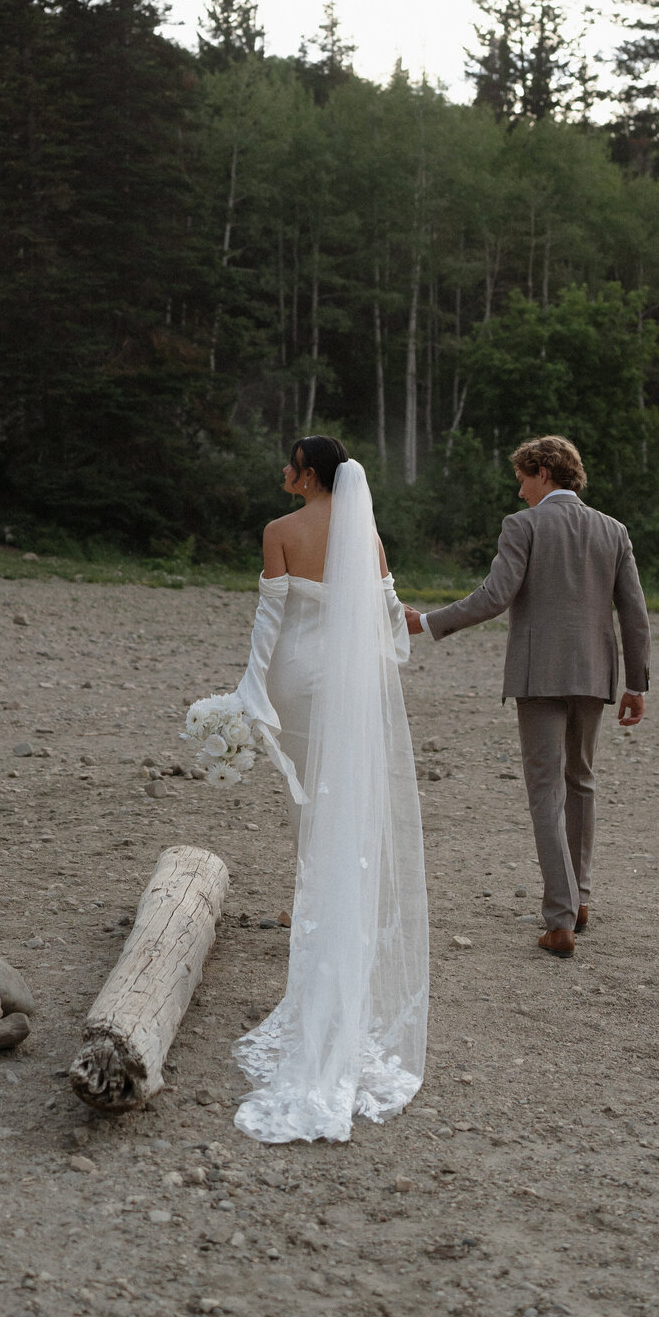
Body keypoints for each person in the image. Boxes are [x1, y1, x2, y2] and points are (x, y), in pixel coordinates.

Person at [231, 436, 429, 1143]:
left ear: (308, 474)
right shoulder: (364, 534)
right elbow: (387, 611)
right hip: (352, 681)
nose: (282, 471)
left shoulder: (281, 531)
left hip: (296, 678)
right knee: (350, 806)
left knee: (309, 810)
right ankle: (347, 928)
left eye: (289, 463)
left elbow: (269, 620)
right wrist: (389, 658)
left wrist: (249, 689)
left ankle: (319, 929)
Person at [406, 435, 649, 958]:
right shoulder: (613, 530)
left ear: (543, 471)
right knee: (580, 782)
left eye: (522, 478)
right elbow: (634, 612)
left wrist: (425, 622)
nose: (519, 492)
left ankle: (559, 919)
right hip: (595, 676)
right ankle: (579, 900)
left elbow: (495, 596)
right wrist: (637, 684)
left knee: (546, 791)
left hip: (539, 677)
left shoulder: (525, 525)